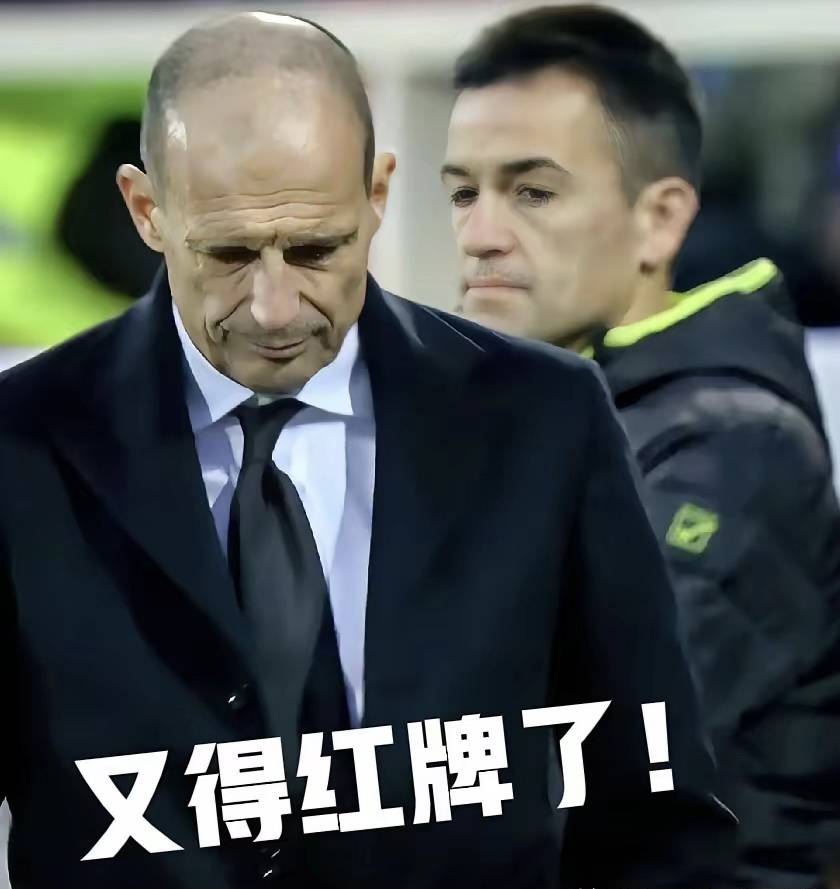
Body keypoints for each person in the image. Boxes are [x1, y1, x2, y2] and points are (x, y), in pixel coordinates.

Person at [0, 11, 734, 889]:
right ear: (145, 210)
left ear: (377, 193)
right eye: (228, 254)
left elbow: (652, 803)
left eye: (317, 249)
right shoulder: (21, 444)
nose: (274, 307)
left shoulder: (544, 420)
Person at [444, 6, 840, 888]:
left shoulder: (733, 445)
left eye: (532, 191)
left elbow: (592, 749)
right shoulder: (539, 419)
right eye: (464, 192)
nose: (480, 234)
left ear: (659, 220)